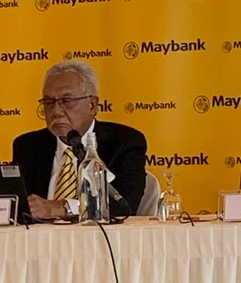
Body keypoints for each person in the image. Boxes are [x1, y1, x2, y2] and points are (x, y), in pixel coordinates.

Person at [12, 60, 147, 220]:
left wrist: (62, 208)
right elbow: (18, 208)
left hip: (101, 241)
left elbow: (125, 207)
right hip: (39, 242)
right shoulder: (27, 145)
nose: (56, 111)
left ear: (92, 105)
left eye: (66, 101)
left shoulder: (125, 142)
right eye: (49, 102)